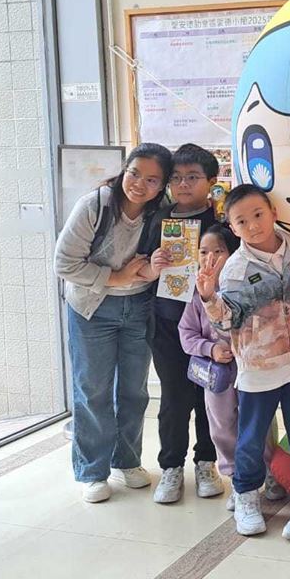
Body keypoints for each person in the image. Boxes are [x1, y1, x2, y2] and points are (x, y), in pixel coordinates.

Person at [199, 185, 290, 540]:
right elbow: (226, 322)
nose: (253, 225)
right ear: (232, 227)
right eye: (242, 221)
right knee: (252, 437)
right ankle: (246, 495)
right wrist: (209, 297)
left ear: (274, 212)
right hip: (259, 367)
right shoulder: (234, 269)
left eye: (258, 214)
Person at [54, 143, 173, 503]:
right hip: (92, 309)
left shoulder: (161, 212)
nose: (139, 184)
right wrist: (115, 278)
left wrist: (151, 271)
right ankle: (93, 470)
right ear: (124, 169)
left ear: (162, 185)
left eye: (152, 180)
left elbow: (153, 264)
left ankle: (128, 460)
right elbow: (64, 263)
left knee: (134, 390)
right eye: (134, 173)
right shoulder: (95, 206)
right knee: (93, 389)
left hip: (138, 306)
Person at [140, 143, 225, 504]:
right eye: (176, 178)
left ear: (211, 181)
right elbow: (143, 263)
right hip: (167, 323)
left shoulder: (221, 222)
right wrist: (154, 262)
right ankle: (171, 467)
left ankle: (207, 463)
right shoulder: (159, 218)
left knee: (210, 396)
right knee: (174, 398)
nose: (183, 184)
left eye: (193, 177)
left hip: (210, 327)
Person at [178, 223, 241, 502]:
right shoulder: (196, 295)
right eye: (203, 252)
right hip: (216, 376)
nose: (210, 258)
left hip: (249, 371)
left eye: (219, 251)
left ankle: (266, 474)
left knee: (256, 424)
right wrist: (210, 348)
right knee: (222, 425)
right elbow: (186, 334)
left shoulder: (242, 288)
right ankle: (237, 479)